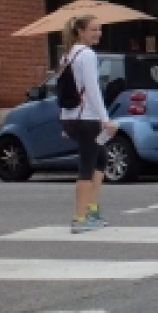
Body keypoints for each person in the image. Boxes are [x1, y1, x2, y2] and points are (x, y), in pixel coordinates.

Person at [58, 16, 118, 233]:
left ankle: (92, 210)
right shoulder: (88, 55)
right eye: (93, 30)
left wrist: (64, 120)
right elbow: (92, 90)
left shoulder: (68, 55)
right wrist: (105, 119)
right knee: (88, 164)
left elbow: (64, 89)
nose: (98, 34)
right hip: (86, 118)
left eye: (100, 29)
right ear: (80, 32)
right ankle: (80, 218)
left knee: (100, 158)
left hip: (73, 117)